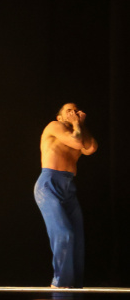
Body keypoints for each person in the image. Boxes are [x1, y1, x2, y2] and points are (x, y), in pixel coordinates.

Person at [34, 103, 98, 288]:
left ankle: (74, 285)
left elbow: (91, 147)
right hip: (48, 184)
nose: (74, 113)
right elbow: (77, 142)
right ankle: (59, 282)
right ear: (60, 117)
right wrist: (77, 124)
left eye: (76, 110)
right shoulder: (54, 126)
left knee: (77, 239)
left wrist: (80, 124)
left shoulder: (78, 130)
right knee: (64, 233)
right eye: (69, 111)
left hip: (68, 187)